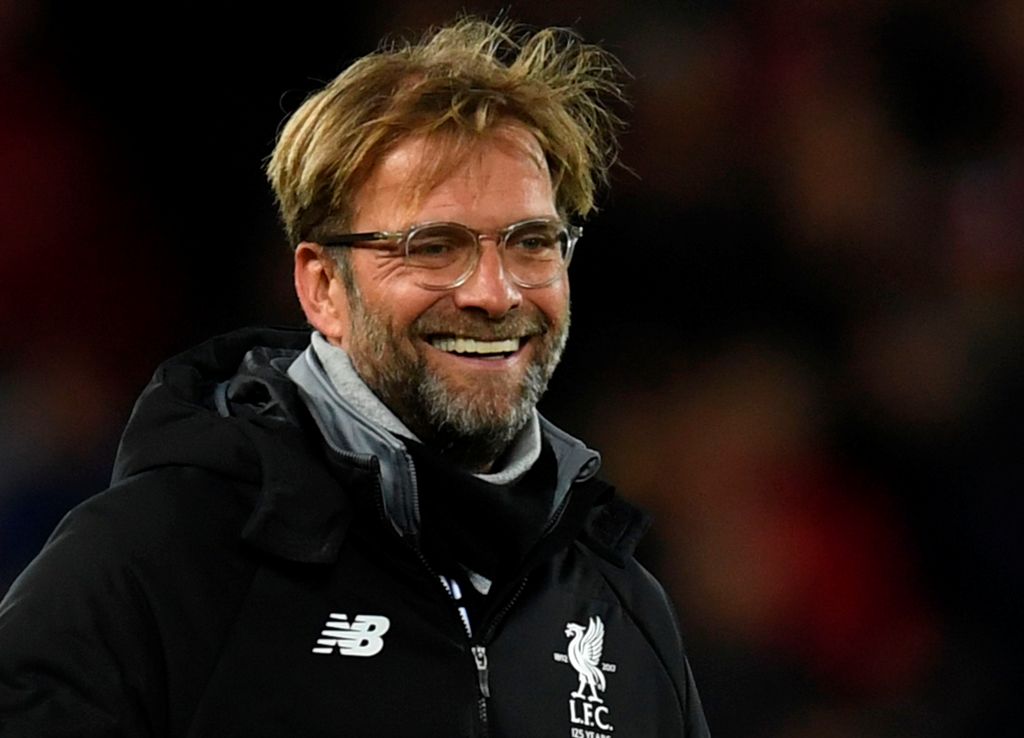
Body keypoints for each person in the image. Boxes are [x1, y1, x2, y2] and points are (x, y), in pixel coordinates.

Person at [0, 18, 709, 737]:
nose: (495, 294)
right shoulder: (156, 563)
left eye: (531, 243)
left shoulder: (622, 612)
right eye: (433, 247)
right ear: (322, 288)